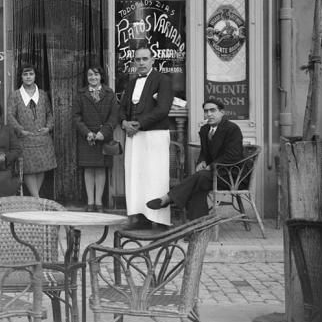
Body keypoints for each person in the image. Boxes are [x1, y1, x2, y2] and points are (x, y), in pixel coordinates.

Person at [146, 98, 244, 221]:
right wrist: (202, 161)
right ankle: (198, 226)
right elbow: (204, 152)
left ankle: (168, 199)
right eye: (206, 111)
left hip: (231, 175)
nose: (209, 114)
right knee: (197, 185)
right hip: (213, 175)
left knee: (199, 177)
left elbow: (233, 155)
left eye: (213, 110)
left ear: (222, 112)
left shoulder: (232, 129)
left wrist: (210, 166)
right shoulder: (205, 130)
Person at [119, 45, 174, 230]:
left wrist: (139, 124)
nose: (141, 62)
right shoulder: (131, 83)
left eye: (145, 59)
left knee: (156, 177)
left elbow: (163, 109)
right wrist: (124, 122)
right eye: (138, 59)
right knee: (135, 176)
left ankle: (159, 219)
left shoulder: (163, 80)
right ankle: (139, 217)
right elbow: (122, 108)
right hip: (134, 136)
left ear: (152, 60)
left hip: (155, 135)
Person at [73, 65, 119, 212]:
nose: (93, 78)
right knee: (88, 168)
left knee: (100, 169)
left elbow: (114, 116)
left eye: (96, 75)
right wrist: (87, 133)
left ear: (101, 77)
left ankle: (98, 202)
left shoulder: (109, 94)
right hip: (86, 137)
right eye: (90, 75)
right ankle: (90, 202)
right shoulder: (81, 94)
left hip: (103, 136)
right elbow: (76, 117)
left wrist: (103, 132)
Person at [7, 64, 56, 197]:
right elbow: (10, 116)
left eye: (31, 74)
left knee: (41, 168)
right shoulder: (15, 95)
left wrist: (48, 128)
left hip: (42, 138)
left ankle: (35, 199)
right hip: (25, 138)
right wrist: (20, 130)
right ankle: (37, 198)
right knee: (28, 169)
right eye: (25, 74)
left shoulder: (43, 94)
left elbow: (49, 114)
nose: (28, 77)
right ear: (21, 77)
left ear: (35, 76)